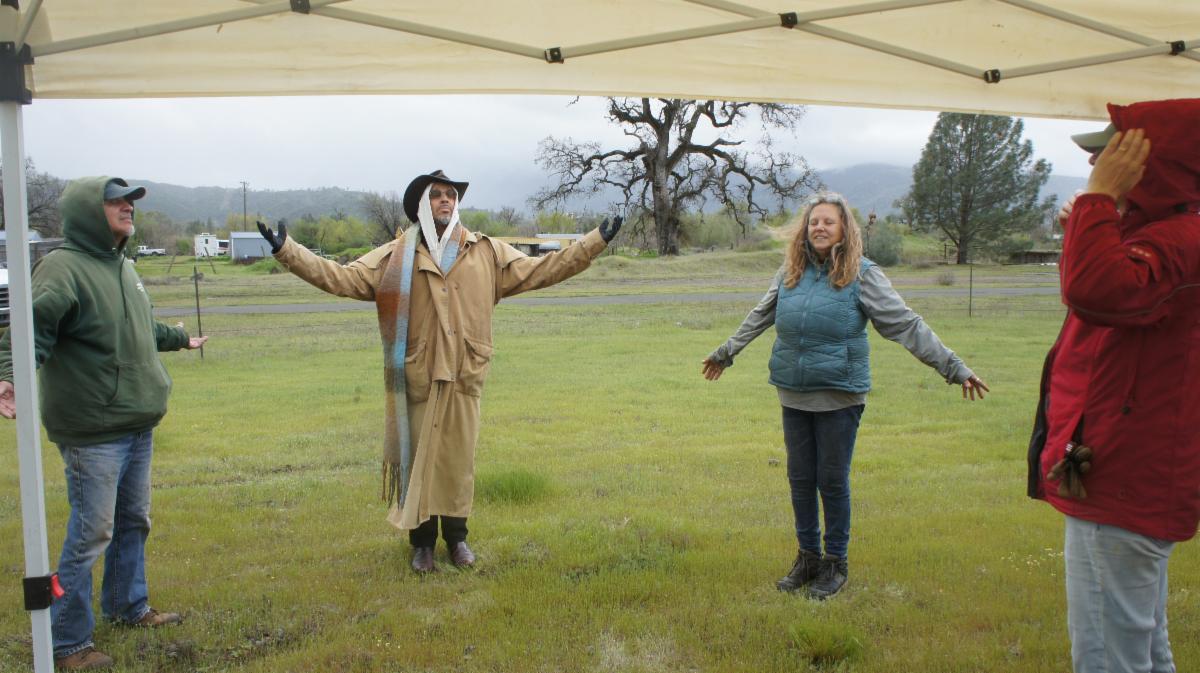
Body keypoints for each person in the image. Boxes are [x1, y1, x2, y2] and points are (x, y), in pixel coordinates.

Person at [257, 170, 621, 573]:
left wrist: (595, 241)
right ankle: (422, 545)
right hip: (419, 375)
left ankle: (458, 540)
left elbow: (543, 268)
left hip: (466, 372)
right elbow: (342, 277)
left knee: (458, 462)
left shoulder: (486, 252)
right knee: (420, 463)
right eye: (436, 196)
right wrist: (287, 251)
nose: (445, 201)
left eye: (450, 195)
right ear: (420, 206)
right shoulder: (397, 256)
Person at [702, 192, 988, 600]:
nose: (819, 227)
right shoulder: (791, 271)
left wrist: (954, 367)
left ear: (844, 230)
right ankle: (808, 559)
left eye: (828, 222)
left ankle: (836, 563)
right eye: (813, 221)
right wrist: (726, 352)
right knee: (800, 479)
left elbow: (905, 324)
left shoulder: (863, 274)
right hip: (793, 392)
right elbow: (760, 315)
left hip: (839, 396)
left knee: (831, 481)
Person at [0, 177, 208, 671]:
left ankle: (127, 606)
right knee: (91, 532)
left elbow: (141, 330)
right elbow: (29, 330)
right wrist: (8, 376)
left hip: (137, 422)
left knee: (133, 522)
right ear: (86, 212)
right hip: (92, 430)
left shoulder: (125, 268)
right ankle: (69, 642)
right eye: (115, 201)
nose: (127, 208)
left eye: (130, 202)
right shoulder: (62, 269)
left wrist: (179, 340)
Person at [1027, 98, 1200, 673]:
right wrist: (1098, 221)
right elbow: (1096, 315)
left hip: (1123, 482)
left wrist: (1100, 203)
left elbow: (1096, 293)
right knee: (1143, 645)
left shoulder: (1180, 238)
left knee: (1108, 656)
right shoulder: (1168, 232)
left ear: (1155, 162)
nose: (1097, 162)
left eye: (1111, 154)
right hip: (1132, 475)